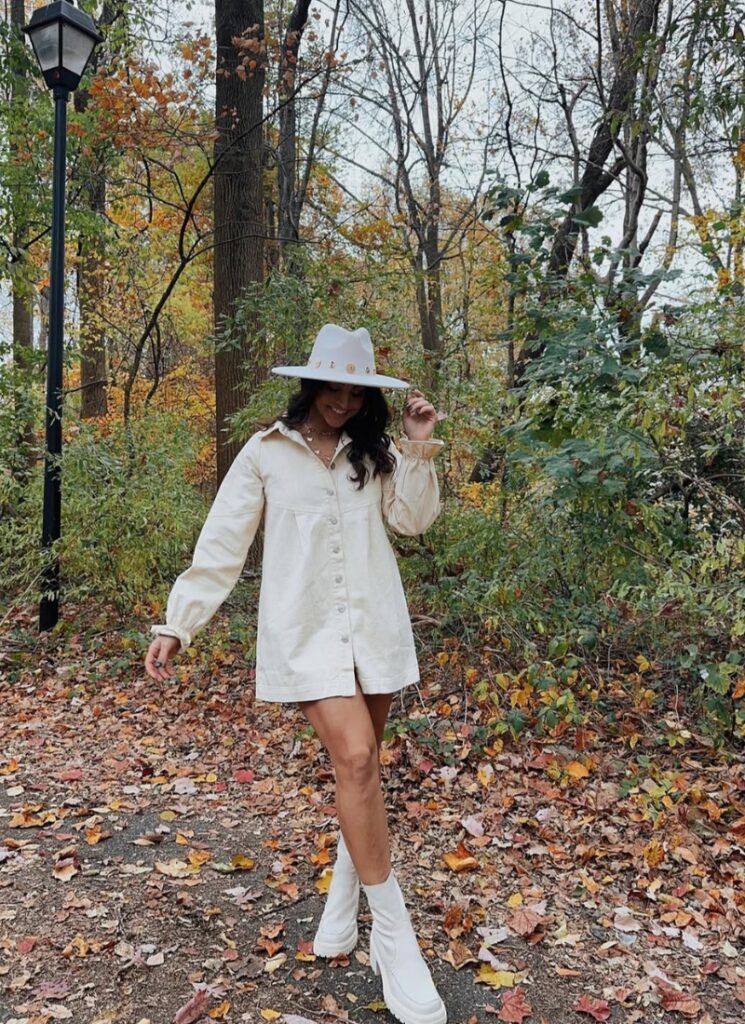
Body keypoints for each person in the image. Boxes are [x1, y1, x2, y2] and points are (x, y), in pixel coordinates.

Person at [144, 323, 447, 1024]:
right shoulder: (264, 453)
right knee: (359, 759)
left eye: (355, 389)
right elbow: (222, 541)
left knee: (360, 774)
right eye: (333, 386)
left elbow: (414, 522)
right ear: (309, 383)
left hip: (372, 628)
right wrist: (178, 621)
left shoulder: (372, 455)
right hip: (306, 634)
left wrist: (419, 443)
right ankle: (396, 942)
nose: (342, 399)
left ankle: (343, 904)